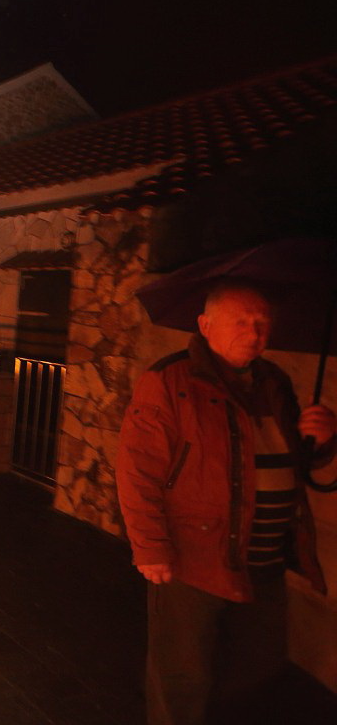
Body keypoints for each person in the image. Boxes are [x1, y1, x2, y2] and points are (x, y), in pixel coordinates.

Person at [116, 281, 336, 725]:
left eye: (262, 323)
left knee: (258, 666)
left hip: (267, 558)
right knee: (182, 674)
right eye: (242, 322)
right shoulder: (171, 381)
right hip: (193, 558)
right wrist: (151, 547)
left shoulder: (274, 381)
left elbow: (295, 463)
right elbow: (138, 470)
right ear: (205, 325)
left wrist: (324, 438)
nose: (254, 333)